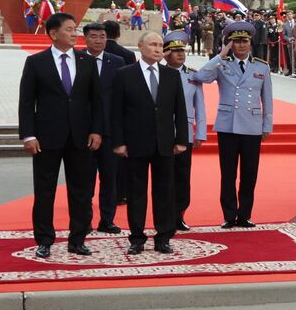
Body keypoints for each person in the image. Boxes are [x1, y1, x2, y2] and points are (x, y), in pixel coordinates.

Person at [18, 13, 104, 258]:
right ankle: (44, 240)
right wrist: (28, 135)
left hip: (81, 137)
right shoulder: (36, 62)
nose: (75, 33)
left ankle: (78, 239)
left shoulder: (86, 61)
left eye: (75, 28)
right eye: (69, 29)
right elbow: (26, 102)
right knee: (45, 191)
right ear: (54, 34)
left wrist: (97, 130)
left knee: (80, 191)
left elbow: (96, 101)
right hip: (46, 137)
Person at [190, 21, 274, 228]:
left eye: (245, 41)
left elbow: (267, 98)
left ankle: (244, 215)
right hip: (228, 126)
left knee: (249, 173)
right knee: (228, 174)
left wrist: (267, 126)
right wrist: (220, 55)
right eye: (236, 42)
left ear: (250, 43)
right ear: (230, 44)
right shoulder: (222, 63)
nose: (242, 45)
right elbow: (200, 76)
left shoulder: (261, 66)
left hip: (252, 126)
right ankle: (229, 215)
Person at [110, 31, 188, 254]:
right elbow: (116, 113)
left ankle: (163, 236)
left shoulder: (171, 75)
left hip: (164, 143)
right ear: (140, 46)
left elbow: (180, 110)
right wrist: (119, 142)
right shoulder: (124, 74)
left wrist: (181, 139)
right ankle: (137, 238)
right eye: (152, 44)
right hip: (135, 143)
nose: (157, 48)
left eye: (160, 45)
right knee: (136, 193)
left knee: (165, 192)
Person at [78, 22, 126, 234]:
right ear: (85, 38)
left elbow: (122, 97)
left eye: (102, 37)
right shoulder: (76, 60)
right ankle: (84, 221)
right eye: (94, 36)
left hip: (110, 131)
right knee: (85, 181)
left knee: (110, 179)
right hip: (84, 131)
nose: (98, 40)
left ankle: (107, 220)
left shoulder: (117, 62)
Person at [162, 30, 206, 231]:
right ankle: (165, 215)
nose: (180, 54)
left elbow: (200, 107)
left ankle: (179, 214)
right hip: (162, 133)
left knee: (182, 175)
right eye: (175, 51)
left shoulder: (192, 76)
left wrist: (200, 133)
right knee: (164, 175)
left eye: (182, 50)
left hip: (185, 133)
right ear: (166, 53)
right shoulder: (158, 74)